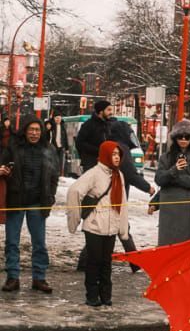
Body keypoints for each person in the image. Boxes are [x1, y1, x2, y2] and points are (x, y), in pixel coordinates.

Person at [0, 114, 59, 293]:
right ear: (25, 130)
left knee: (39, 242)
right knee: (12, 241)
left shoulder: (49, 149)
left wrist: (50, 197)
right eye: (31, 129)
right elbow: (2, 167)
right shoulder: (12, 147)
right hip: (15, 201)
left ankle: (39, 278)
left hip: (38, 202)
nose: (34, 133)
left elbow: (54, 176)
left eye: (37, 130)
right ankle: (12, 277)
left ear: (41, 132)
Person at [66, 141, 128, 306]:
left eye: (118, 154)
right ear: (106, 154)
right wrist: (74, 220)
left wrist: (123, 229)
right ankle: (92, 296)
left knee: (107, 262)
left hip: (111, 227)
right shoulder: (94, 173)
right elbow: (74, 191)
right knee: (94, 262)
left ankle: (106, 295)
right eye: (113, 154)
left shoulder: (119, 175)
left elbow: (123, 203)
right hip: (94, 225)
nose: (116, 157)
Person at [110, 118, 155, 270]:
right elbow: (130, 173)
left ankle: (135, 262)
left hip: (110, 195)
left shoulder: (109, 146)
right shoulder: (121, 148)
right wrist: (147, 187)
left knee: (117, 229)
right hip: (116, 195)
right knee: (121, 229)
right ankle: (135, 262)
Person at [155, 119, 190, 247]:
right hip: (169, 207)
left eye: (187, 137)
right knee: (167, 244)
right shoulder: (165, 158)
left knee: (186, 245)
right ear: (175, 138)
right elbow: (159, 179)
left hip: (188, 206)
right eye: (180, 137)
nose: (183, 140)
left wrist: (174, 179)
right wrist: (174, 170)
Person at [75, 100, 113, 172]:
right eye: (109, 110)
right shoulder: (88, 125)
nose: (111, 112)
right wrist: (98, 151)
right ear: (101, 111)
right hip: (91, 164)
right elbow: (79, 143)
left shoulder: (109, 125)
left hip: (106, 164)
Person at [48, 111, 68, 176]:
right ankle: (52, 174)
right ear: (54, 118)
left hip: (61, 147)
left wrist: (67, 148)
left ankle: (59, 175)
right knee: (53, 161)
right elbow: (47, 123)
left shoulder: (62, 127)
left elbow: (65, 138)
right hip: (53, 146)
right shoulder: (51, 126)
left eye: (59, 118)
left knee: (60, 162)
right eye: (56, 118)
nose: (58, 119)